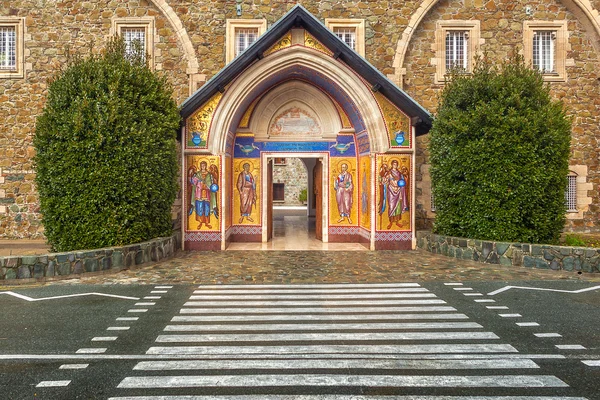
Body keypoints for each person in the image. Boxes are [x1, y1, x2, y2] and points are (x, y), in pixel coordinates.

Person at [379, 159, 408, 229]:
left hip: (398, 191)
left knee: (398, 207)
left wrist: (401, 184)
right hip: (391, 191)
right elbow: (384, 181)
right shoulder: (389, 173)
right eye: (394, 164)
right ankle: (391, 222)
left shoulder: (399, 173)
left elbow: (402, 182)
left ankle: (397, 222)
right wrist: (383, 179)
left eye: (396, 164)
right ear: (392, 165)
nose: (395, 165)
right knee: (391, 206)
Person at [189, 161, 218, 229]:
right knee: (200, 208)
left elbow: (210, 183)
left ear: (206, 166)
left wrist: (207, 185)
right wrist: (198, 182)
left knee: (206, 208)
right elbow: (193, 182)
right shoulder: (197, 174)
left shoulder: (209, 174)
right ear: (200, 166)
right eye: (202, 165)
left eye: (204, 165)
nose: (203, 167)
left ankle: (207, 222)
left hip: (206, 194)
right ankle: (200, 222)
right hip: (199, 194)